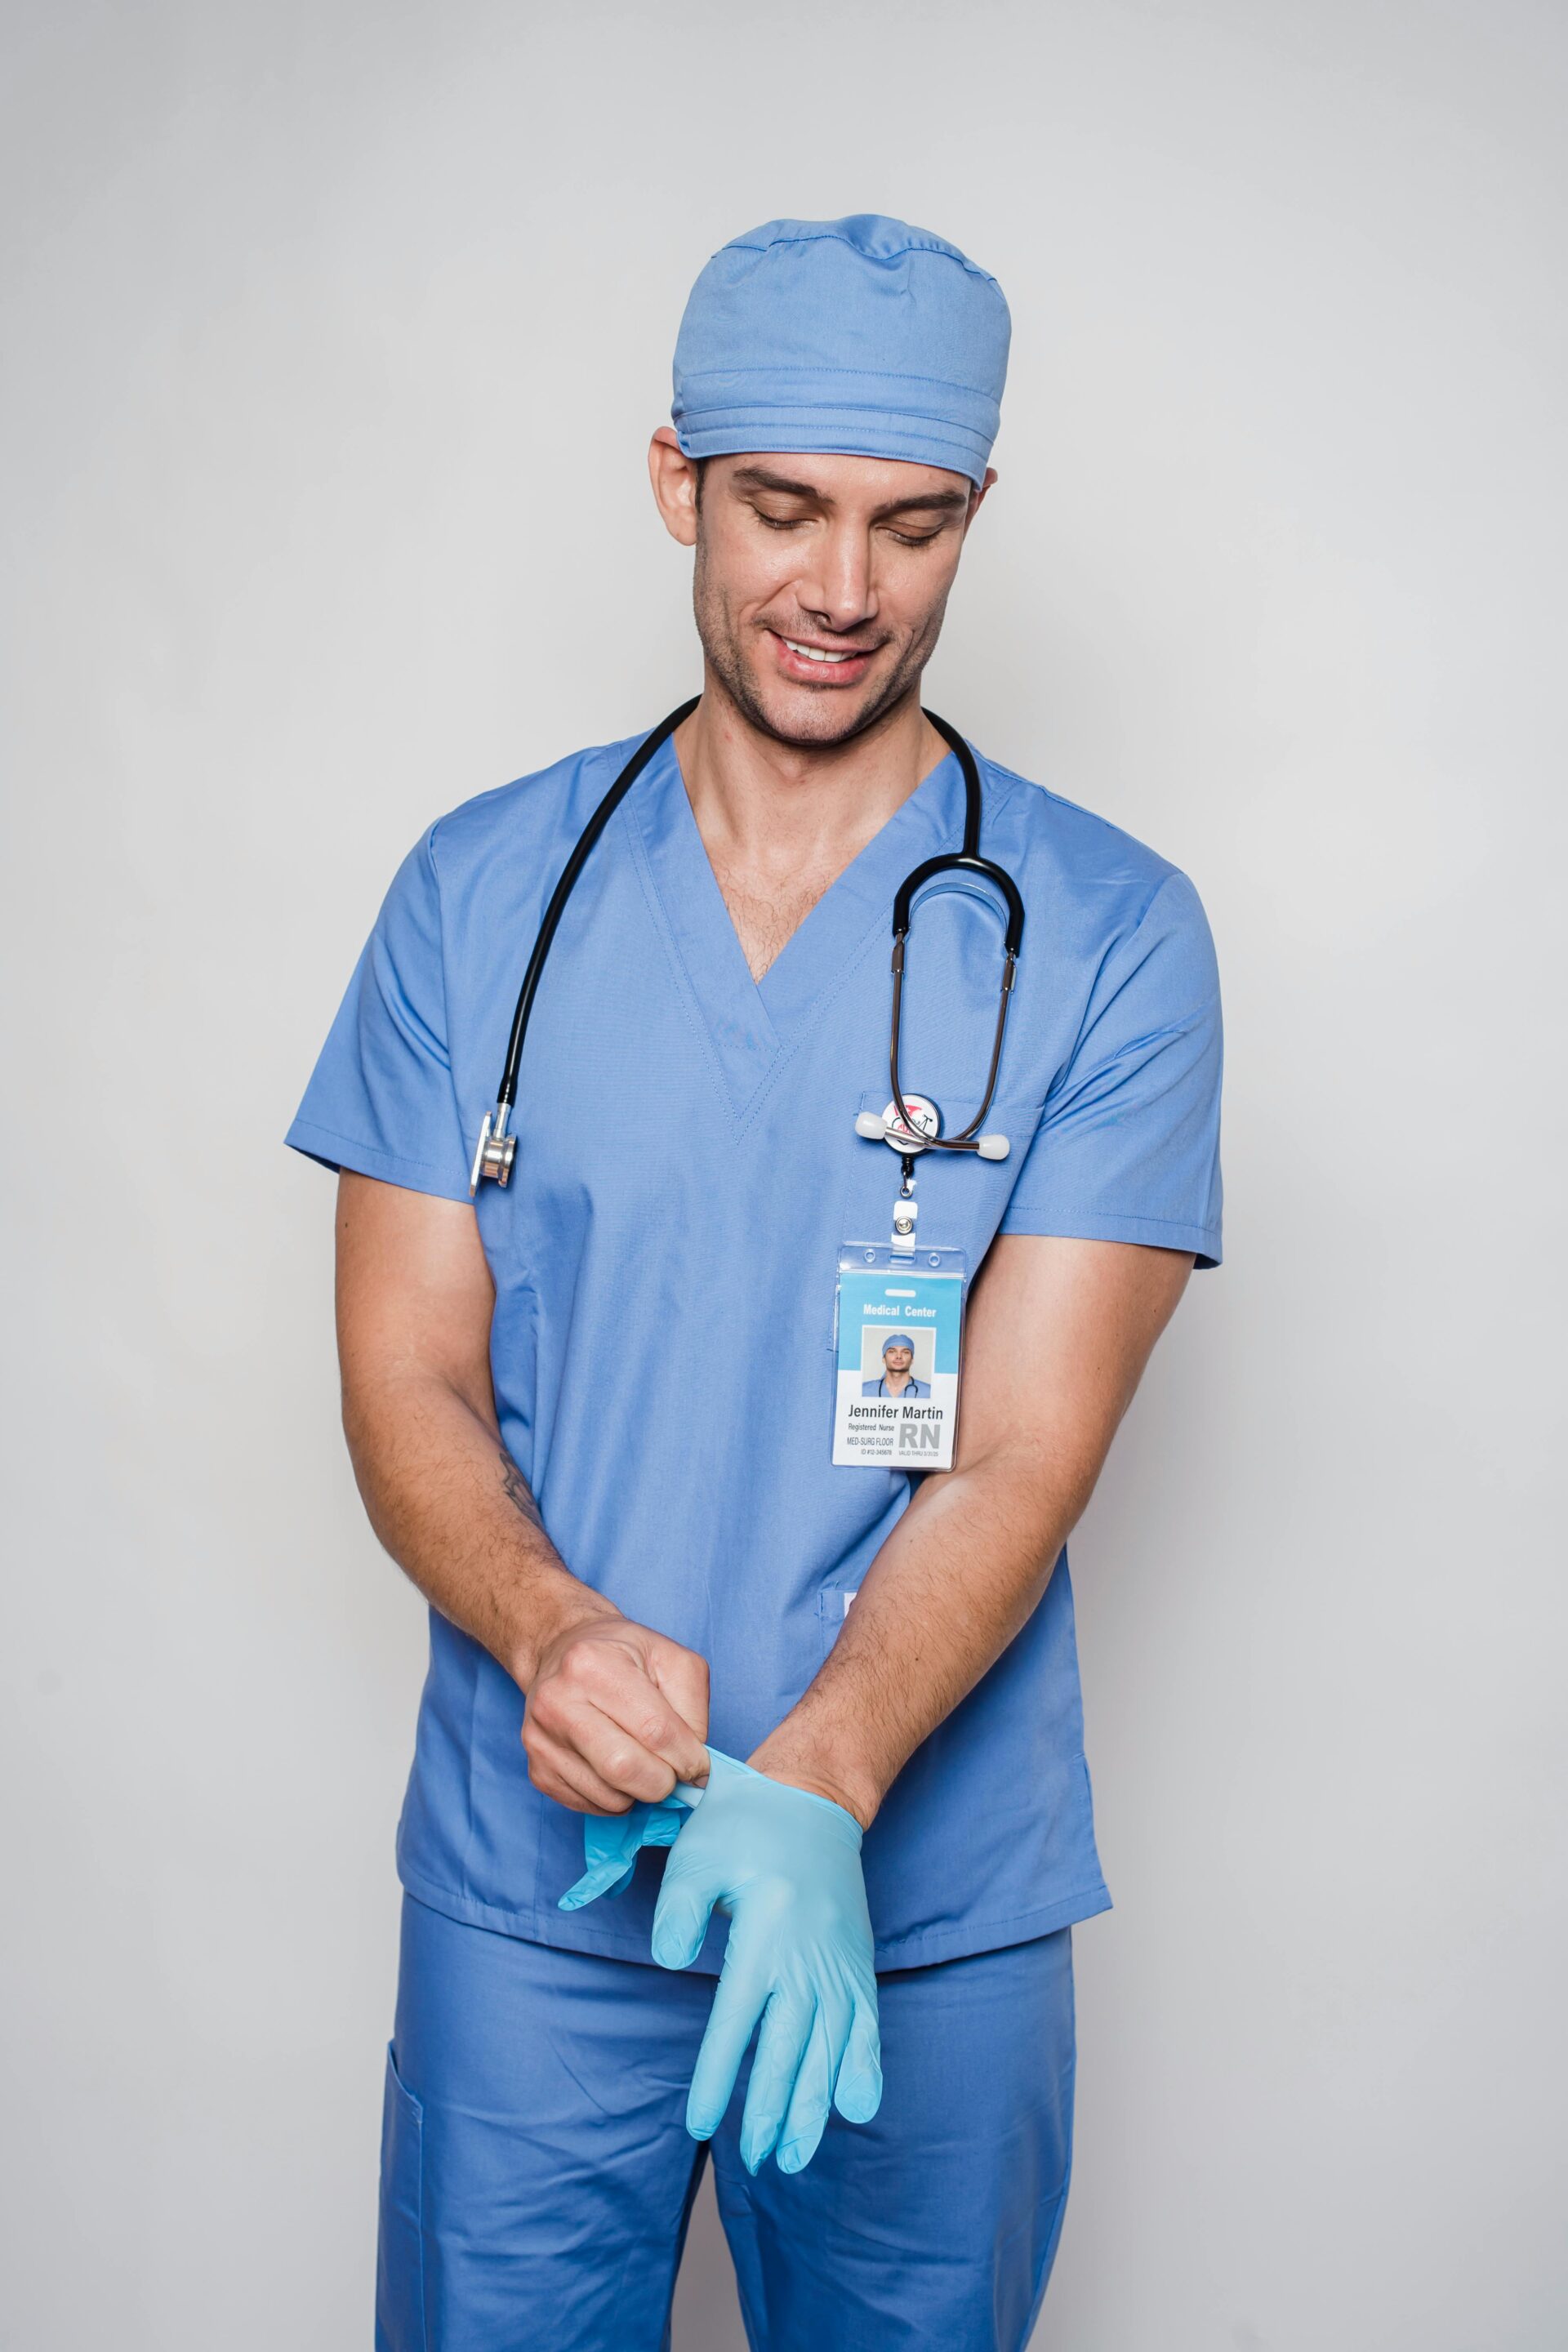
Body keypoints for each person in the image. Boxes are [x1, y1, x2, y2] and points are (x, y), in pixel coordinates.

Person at [287, 213, 1223, 2352]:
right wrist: (554, 1629)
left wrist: (831, 1776)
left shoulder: (1109, 937)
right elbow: (406, 1379)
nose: (841, 588)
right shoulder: (479, 899)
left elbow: (1024, 1444)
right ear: (673, 482)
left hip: (922, 1904)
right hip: (542, 1903)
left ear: (976, 519)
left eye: (913, 524)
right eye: (783, 508)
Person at [862, 1334, 929, 1397]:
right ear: (883, 1359)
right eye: (892, 1352)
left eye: (905, 1352)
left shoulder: (928, 1392)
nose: (899, 1356)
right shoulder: (864, 1390)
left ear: (912, 1360)